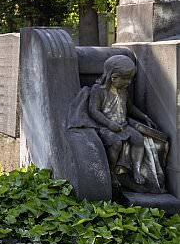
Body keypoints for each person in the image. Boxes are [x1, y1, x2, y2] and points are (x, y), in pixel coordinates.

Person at [68, 55, 169, 194]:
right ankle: (111, 171)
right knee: (116, 143)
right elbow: (93, 111)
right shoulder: (99, 90)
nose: (129, 82)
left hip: (123, 125)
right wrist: (109, 124)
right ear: (113, 77)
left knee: (138, 139)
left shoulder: (124, 91)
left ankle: (136, 170)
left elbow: (131, 108)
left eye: (131, 78)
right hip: (105, 128)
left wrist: (144, 117)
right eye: (126, 78)